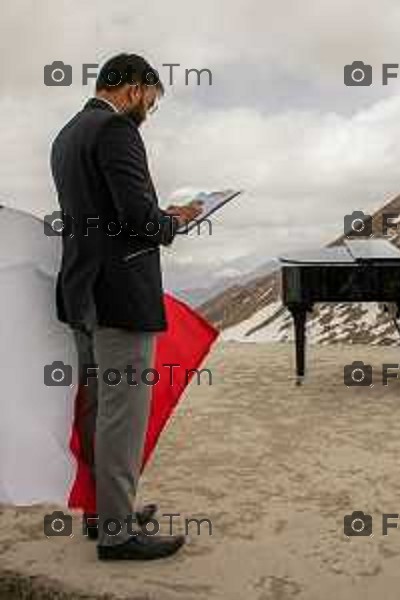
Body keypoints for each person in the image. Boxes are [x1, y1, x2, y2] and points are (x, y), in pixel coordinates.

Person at [50, 53, 203, 560]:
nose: (148, 112)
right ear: (134, 88)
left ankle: (103, 514)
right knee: (121, 416)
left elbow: (102, 212)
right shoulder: (116, 131)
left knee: (97, 412)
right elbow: (139, 221)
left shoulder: (67, 135)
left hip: (81, 294)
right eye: (151, 102)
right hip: (118, 296)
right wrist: (176, 220)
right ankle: (117, 534)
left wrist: (158, 216)